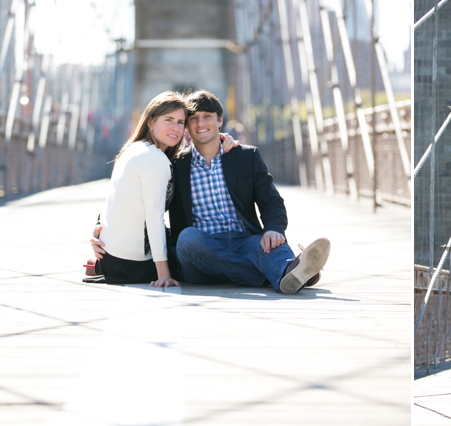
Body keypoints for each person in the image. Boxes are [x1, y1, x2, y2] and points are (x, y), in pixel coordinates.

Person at [93, 90, 328, 294]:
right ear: (187, 128)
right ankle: (282, 274)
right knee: (187, 238)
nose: (200, 123)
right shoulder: (173, 164)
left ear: (220, 121)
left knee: (268, 243)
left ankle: (290, 271)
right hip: (199, 253)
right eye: (192, 119)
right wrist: (103, 229)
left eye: (207, 117)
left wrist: (274, 229)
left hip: (243, 239)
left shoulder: (245, 156)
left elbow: (271, 201)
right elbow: (134, 196)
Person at [90, 92, 186, 288]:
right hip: (134, 265)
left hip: (110, 259)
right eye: (168, 120)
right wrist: (163, 274)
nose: (176, 128)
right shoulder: (154, 159)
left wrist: (101, 229)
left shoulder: (132, 149)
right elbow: (154, 216)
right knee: (195, 250)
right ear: (151, 122)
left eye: (181, 122)